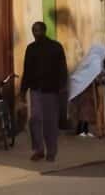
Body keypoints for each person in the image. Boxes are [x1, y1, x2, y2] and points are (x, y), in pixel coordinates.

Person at [19, 21, 68, 163]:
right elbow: (26, 70)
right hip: (35, 89)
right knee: (35, 118)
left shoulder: (55, 47)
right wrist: (22, 90)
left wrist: (62, 87)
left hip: (51, 90)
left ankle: (51, 152)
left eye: (38, 30)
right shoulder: (31, 49)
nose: (35, 33)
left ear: (44, 31)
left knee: (50, 122)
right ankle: (39, 149)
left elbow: (62, 69)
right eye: (33, 30)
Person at [69, 43, 105, 138]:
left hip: (85, 88)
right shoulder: (95, 60)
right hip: (85, 89)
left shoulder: (90, 58)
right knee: (85, 110)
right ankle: (81, 130)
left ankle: (84, 130)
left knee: (86, 111)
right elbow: (97, 75)